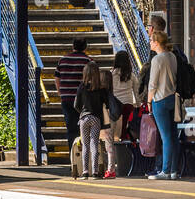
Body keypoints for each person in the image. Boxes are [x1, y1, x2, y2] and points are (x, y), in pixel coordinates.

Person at [146, 30, 181, 181]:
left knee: (165, 137)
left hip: (159, 99)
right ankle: (174, 170)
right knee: (173, 136)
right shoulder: (172, 56)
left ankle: (165, 171)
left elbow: (152, 84)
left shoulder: (157, 60)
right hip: (173, 99)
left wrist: (148, 101)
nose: (150, 43)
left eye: (151, 40)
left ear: (157, 42)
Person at [105, 51, 141, 179]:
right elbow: (136, 94)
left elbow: (107, 92)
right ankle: (129, 164)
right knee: (126, 135)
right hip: (128, 108)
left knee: (110, 138)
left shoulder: (110, 74)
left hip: (114, 109)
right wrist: (138, 106)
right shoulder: (131, 76)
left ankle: (111, 168)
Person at [73, 61, 110, 179]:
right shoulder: (100, 88)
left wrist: (82, 113)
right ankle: (95, 172)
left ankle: (84, 172)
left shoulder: (81, 87)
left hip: (84, 118)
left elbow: (76, 105)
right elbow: (107, 103)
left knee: (85, 144)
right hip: (96, 118)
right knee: (94, 143)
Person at [55, 38, 93, 145]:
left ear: (73, 46)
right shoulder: (88, 61)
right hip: (84, 100)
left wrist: (60, 93)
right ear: (85, 47)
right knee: (85, 127)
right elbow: (93, 79)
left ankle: (73, 154)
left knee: (71, 128)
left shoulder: (62, 60)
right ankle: (84, 153)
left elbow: (57, 79)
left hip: (66, 98)